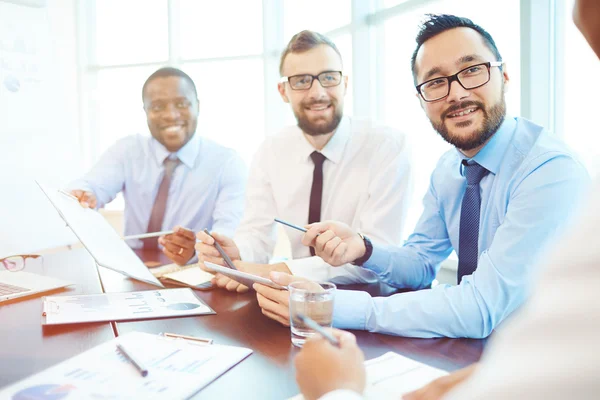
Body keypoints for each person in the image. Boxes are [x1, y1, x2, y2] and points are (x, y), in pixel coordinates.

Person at [294, 4, 600, 399]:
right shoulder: (448, 167)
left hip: (547, 372)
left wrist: (334, 306)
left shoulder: (550, 170)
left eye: (472, 70)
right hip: (473, 361)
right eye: (435, 82)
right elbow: (421, 263)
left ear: (503, 75)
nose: (456, 93)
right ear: (422, 100)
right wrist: (364, 249)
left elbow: (481, 308)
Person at [194, 30, 412, 291]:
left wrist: (275, 271)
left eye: (329, 78)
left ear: (345, 83)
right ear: (283, 91)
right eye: (301, 81)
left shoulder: (388, 147)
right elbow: (256, 233)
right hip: (292, 299)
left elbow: (377, 255)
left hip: (370, 300)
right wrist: (236, 253)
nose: (317, 92)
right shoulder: (270, 151)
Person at [67, 67, 247, 265]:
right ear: (145, 111)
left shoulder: (226, 163)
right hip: (132, 266)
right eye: (158, 107)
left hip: (192, 271)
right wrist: (84, 195)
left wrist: (199, 251)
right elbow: (92, 186)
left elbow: (229, 234)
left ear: (197, 106)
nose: (171, 115)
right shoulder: (128, 150)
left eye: (181, 103)